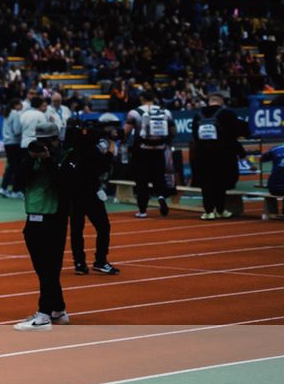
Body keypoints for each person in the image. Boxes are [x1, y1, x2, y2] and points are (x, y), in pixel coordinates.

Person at [14, 119, 71, 331]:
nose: (42, 144)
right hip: (33, 217)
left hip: (53, 218)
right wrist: (30, 160)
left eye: (46, 141)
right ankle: (58, 309)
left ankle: (44, 313)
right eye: (38, 141)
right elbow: (18, 183)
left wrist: (48, 160)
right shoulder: (32, 158)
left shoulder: (65, 157)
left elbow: (63, 184)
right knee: (43, 268)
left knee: (49, 268)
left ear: (56, 140)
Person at [67, 115, 120, 276]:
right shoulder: (93, 147)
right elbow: (101, 167)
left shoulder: (71, 148)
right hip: (90, 192)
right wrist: (110, 152)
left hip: (73, 192)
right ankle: (100, 260)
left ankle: (79, 263)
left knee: (77, 229)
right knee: (103, 226)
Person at [192, 91, 248, 220]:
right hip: (223, 155)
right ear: (222, 102)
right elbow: (234, 135)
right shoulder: (227, 114)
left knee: (206, 183)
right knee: (221, 183)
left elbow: (195, 136)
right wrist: (241, 152)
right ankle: (221, 210)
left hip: (203, 155)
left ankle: (208, 211)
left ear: (209, 101)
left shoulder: (197, 115)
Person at [125, 90, 173, 218]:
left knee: (142, 180)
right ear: (154, 98)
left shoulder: (134, 113)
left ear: (141, 98)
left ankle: (142, 210)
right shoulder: (165, 112)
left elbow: (126, 132)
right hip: (159, 149)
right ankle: (161, 197)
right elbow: (173, 131)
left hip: (141, 150)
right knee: (159, 177)